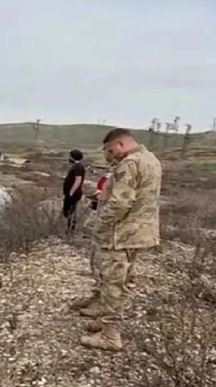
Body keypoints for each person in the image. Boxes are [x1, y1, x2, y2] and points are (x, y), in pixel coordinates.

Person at [76, 128, 161, 351]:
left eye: (110, 149)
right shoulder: (150, 158)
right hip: (137, 232)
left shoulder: (130, 163)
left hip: (121, 234)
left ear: (121, 144)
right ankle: (104, 322)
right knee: (123, 280)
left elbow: (121, 203)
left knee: (114, 283)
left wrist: (100, 224)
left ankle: (110, 335)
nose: (110, 154)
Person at [61, 149, 86, 231]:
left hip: (73, 194)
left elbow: (78, 180)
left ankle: (70, 229)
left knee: (70, 211)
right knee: (69, 211)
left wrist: (71, 193)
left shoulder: (78, 167)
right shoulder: (76, 166)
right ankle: (69, 228)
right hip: (72, 193)